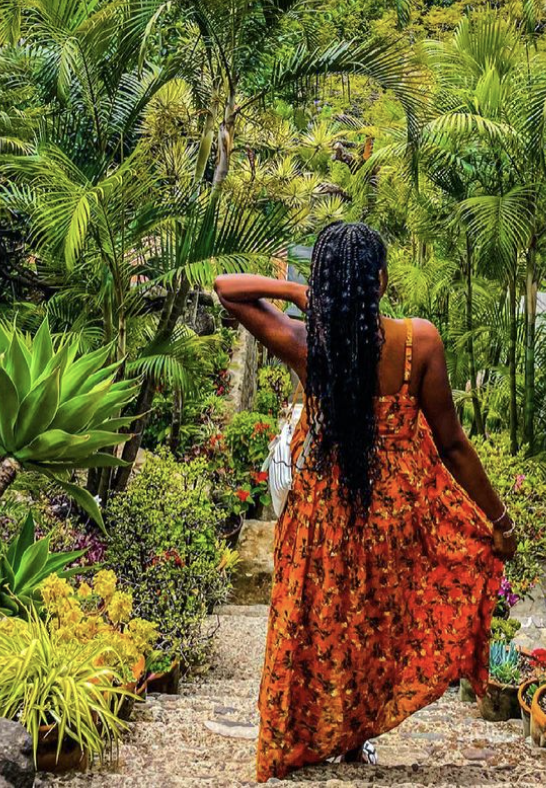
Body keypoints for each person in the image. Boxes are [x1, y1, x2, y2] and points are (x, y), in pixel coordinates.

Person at [214, 221, 518, 782]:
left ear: (328, 286)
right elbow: (452, 443)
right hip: (395, 518)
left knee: (319, 626)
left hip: (322, 518)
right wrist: (498, 522)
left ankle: (320, 737)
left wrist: (302, 295)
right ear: (379, 281)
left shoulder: (308, 344)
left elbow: (227, 287)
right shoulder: (418, 342)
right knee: (374, 629)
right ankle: (356, 739)